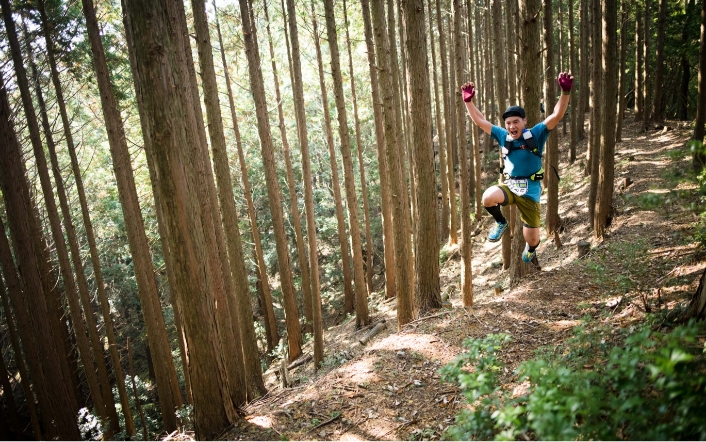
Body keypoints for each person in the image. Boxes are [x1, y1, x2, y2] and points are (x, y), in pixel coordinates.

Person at [461, 72, 573, 263]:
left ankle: (531, 247)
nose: (512, 126)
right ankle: (501, 222)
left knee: (532, 238)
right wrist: (468, 102)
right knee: (487, 197)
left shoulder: (536, 134)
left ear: (524, 122)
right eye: (508, 123)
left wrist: (565, 92)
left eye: (516, 122)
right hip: (511, 187)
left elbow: (556, 115)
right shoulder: (502, 135)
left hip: (530, 192)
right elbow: (480, 121)